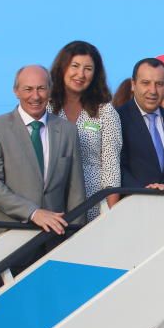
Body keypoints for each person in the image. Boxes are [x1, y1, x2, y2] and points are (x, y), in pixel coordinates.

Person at [0, 65, 85, 236]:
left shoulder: (68, 131)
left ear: (50, 90)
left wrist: (76, 235)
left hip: (55, 239)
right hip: (10, 238)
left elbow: (76, 191)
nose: (35, 96)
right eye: (28, 89)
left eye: (41, 88)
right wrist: (33, 213)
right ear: (16, 91)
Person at [49, 41, 122, 219]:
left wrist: (113, 216)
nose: (80, 74)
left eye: (88, 68)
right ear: (62, 67)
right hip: (52, 203)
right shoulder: (46, 107)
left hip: (93, 204)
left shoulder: (104, 111)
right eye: (75, 66)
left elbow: (111, 167)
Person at [118, 58, 164, 191]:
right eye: (146, 83)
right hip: (132, 205)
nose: (153, 91)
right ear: (133, 84)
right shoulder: (118, 118)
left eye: (159, 84)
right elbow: (115, 168)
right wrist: (144, 191)